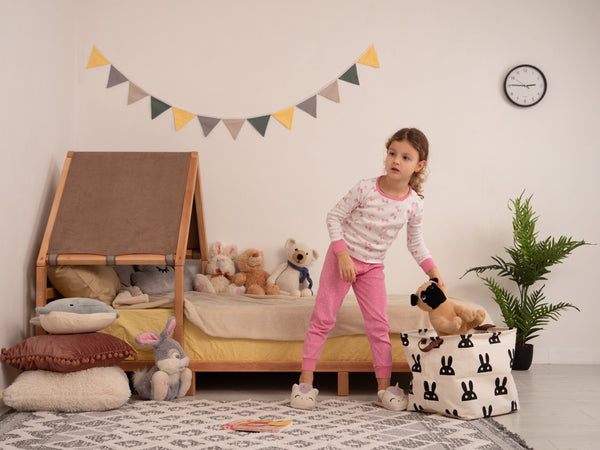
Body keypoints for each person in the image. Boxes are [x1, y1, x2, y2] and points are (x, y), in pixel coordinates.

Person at [290, 128, 444, 411]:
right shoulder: (365, 188)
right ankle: (305, 382)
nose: (396, 160)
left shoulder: (413, 204)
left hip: (372, 267)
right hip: (342, 259)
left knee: (379, 326)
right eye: (392, 153)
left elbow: (415, 243)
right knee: (323, 318)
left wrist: (433, 272)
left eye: (405, 157)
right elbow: (334, 217)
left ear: (419, 165)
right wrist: (343, 256)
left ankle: (383, 388)